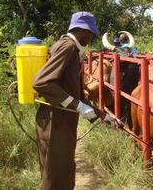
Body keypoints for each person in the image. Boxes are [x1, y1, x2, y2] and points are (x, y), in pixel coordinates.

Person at [32, 11, 116, 190]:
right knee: (55, 177)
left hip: (62, 121)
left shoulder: (72, 49)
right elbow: (41, 82)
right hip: (56, 123)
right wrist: (77, 105)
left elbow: (73, 92)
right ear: (84, 30)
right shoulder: (68, 47)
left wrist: (102, 115)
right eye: (91, 32)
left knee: (63, 171)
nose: (91, 36)